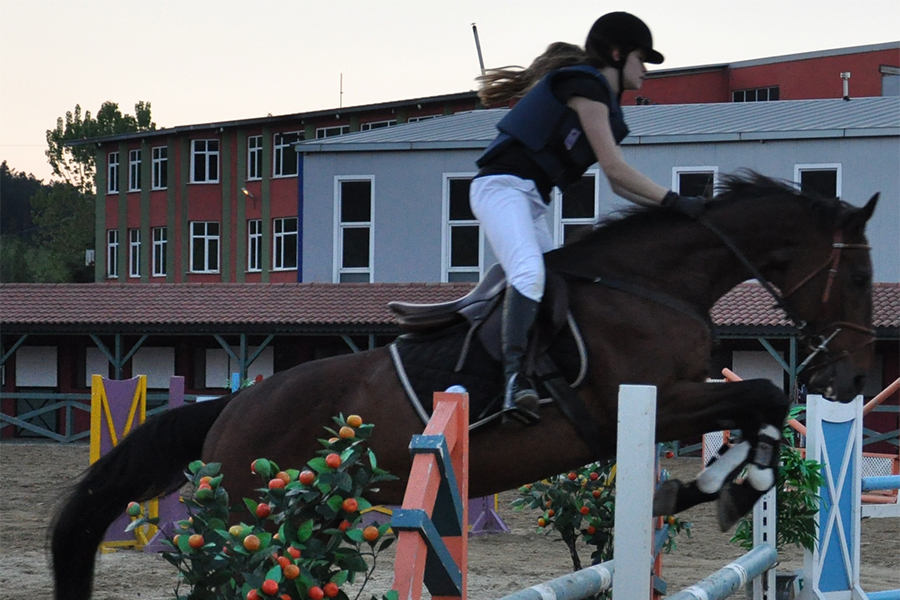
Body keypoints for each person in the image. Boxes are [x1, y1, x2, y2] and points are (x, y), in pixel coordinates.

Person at [471, 11, 706, 421]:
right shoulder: (584, 86)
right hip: (499, 189)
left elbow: (617, 186)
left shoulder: (600, 100)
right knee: (529, 275)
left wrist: (672, 211)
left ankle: (544, 378)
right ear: (616, 54)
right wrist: (674, 201)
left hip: (530, 201)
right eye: (641, 58)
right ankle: (512, 383)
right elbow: (616, 171)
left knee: (559, 283)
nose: (646, 70)